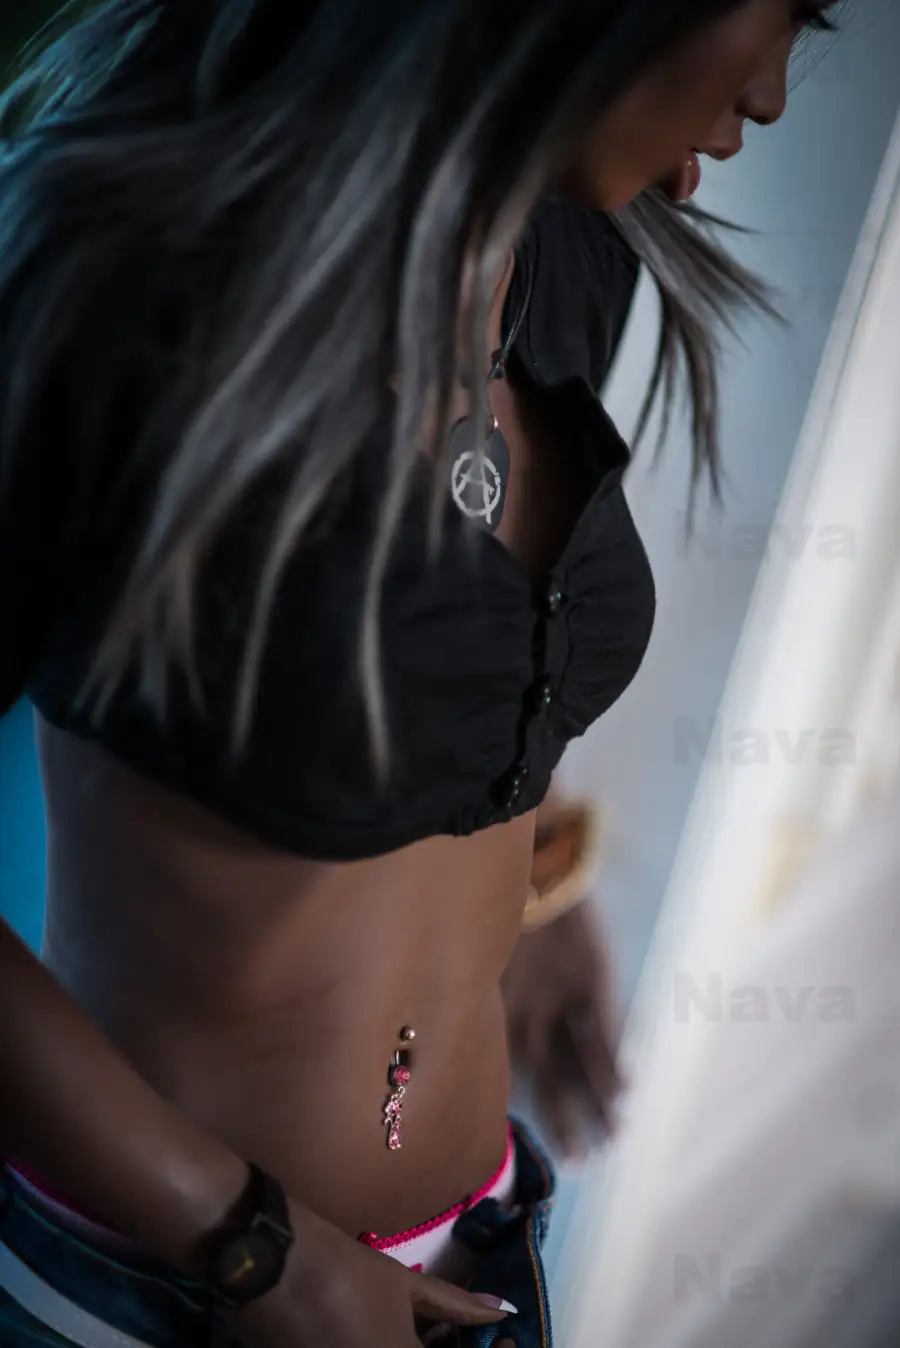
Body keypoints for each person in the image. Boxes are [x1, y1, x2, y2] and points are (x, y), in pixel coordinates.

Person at [0, 2, 839, 1345]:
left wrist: (535, 886)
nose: (775, 93)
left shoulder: (570, 246)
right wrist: (257, 1254)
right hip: (155, 1291)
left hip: (482, 1259)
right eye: (782, 12)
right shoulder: (122, 265)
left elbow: (451, 643)